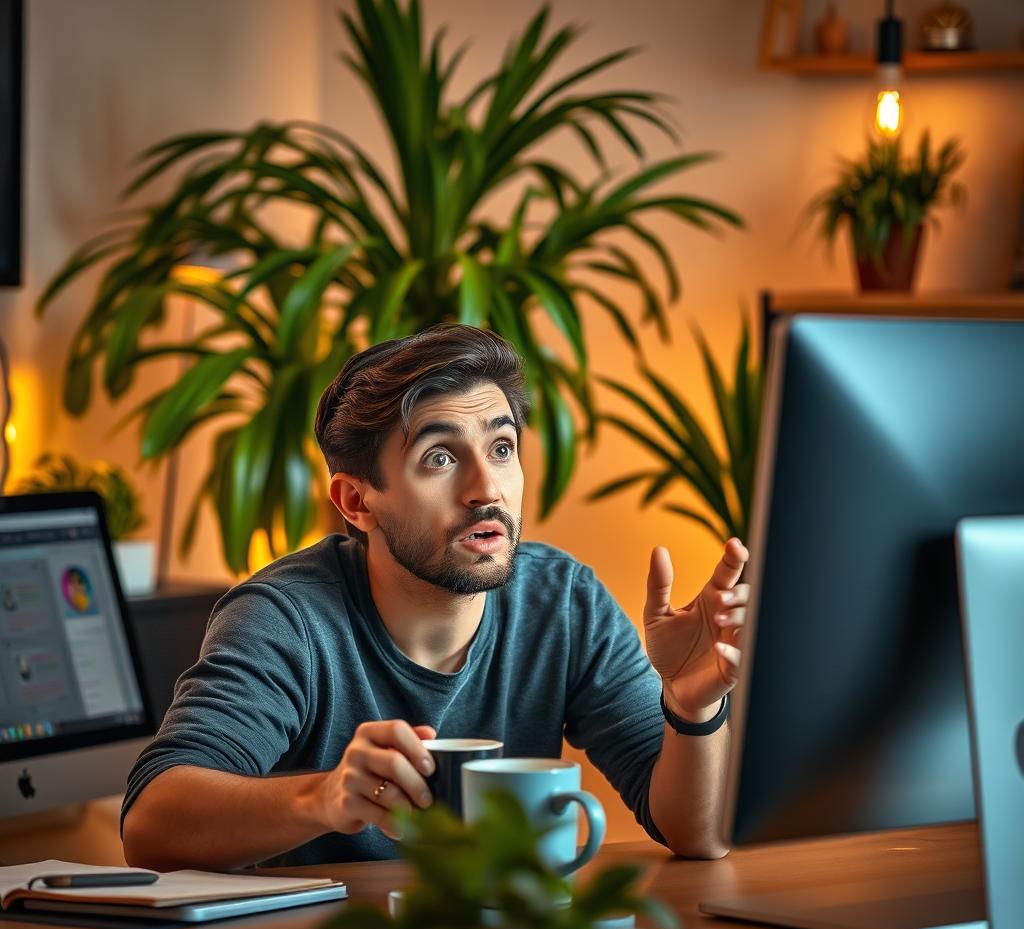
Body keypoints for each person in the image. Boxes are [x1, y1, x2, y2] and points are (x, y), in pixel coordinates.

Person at [122, 325, 749, 870]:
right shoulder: (285, 619)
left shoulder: (564, 604)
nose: (487, 489)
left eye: (501, 449)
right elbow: (150, 824)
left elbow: (694, 834)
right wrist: (326, 796)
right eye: (441, 457)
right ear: (356, 501)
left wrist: (692, 709)